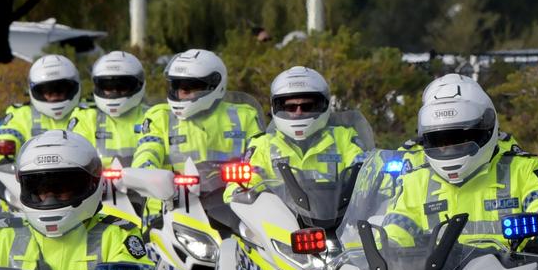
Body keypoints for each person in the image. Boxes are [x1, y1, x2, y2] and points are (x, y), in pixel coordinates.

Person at [382, 74, 538, 262]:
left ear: (485, 130)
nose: (449, 148)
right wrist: (384, 248)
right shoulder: (418, 178)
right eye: (440, 141)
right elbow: (399, 223)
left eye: (460, 138)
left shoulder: (521, 168)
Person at [0, 130, 155, 270]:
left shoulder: (115, 234)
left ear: (90, 184)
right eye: (41, 188)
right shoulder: (5, 235)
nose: (49, 198)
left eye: (60, 188)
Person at [225, 66, 365, 201]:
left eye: (307, 106)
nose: (298, 112)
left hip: (339, 220)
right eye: (290, 107)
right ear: (276, 107)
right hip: (280, 223)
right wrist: (242, 193)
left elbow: (367, 172)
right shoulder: (263, 145)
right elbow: (243, 183)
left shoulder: (343, 138)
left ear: (324, 105)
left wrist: (380, 181)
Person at [131, 49, 262, 176]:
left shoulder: (243, 116)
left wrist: (255, 178)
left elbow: (261, 156)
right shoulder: (159, 118)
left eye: (189, 87)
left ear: (213, 85)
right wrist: (148, 175)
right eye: (178, 87)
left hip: (233, 195)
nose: (183, 93)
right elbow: (147, 151)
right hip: (173, 196)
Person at [0, 55, 96, 170]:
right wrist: (4, 162)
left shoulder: (89, 113)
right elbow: (6, 140)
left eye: (60, 88)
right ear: (35, 91)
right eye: (47, 89)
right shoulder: (21, 115)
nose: (54, 94)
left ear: (73, 87)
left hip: (81, 181)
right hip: (31, 182)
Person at [89, 51, 151, 169]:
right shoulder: (86, 118)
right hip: (98, 183)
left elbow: (153, 149)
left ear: (138, 85)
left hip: (141, 181)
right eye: (108, 86)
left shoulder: (152, 117)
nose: (114, 92)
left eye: (122, 86)